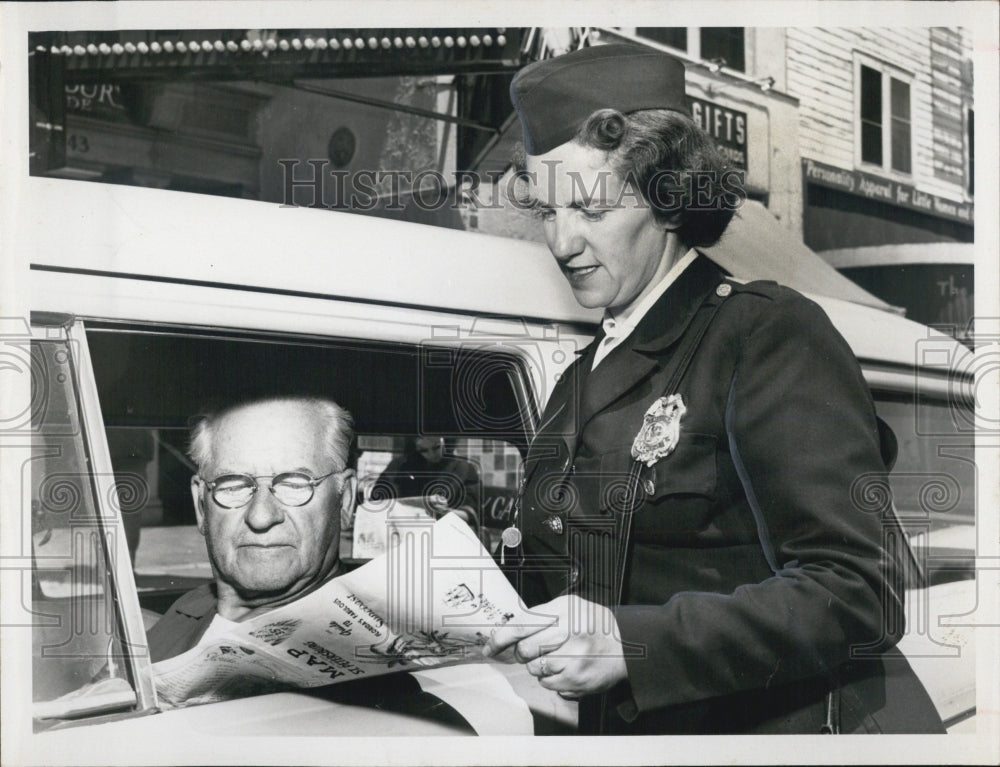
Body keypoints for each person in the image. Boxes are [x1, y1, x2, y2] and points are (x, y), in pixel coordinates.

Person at [484, 44, 944, 734]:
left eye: (590, 208)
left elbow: (859, 590)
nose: (562, 242)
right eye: (548, 212)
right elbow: (581, 574)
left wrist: (632, 645)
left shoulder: (763, 333)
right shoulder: (581, 377)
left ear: (670, 199)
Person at [146, 396, 356, 662]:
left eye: (294, 484)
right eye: (233, 484)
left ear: (344, 500)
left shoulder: (375, 652)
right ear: (201, 506)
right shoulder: (188, 610)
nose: (260, 517)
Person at [372, 436, 481, 528]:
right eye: (423, 450)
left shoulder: (463, 469)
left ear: (446, 441)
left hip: (447, 532)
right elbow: (377, 500)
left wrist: (445, 513)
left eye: (436, 447)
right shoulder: (400, 466)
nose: (431, 454)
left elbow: (471, 515)